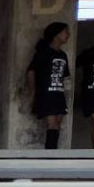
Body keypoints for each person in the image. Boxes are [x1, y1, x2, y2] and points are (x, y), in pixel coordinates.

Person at [26, 21, 71, 151]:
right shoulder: (43, 53)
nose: (68, 35)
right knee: (52, 125)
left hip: (58, 94)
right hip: (46, 94)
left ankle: (52, 153)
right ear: (56, 35)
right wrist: (33, 91)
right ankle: (50, 157)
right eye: (65, 32)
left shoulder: (63, 55)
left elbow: (65, 76)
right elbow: (31, 71)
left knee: (57, 125)